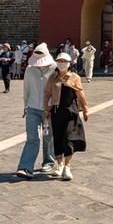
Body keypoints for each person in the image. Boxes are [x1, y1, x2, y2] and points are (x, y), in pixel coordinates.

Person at [43, 53, 90, 182]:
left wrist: (85, 109)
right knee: (58, 138)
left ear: (69, 63)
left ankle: (67, 167)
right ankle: (59, 165)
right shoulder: (52, 77)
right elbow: (47, 94)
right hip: (56, 112)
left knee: (69, 139)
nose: (62, 63)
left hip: (71, 112)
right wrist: (46, 109)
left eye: (64, 61)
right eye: (60, 61)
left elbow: (80, 94)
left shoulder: (75, 77)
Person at [15, 43, 58, 179]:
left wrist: (52, 105)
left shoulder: (54, 68)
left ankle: (49, 161)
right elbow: (26, 88)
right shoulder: (29, 69)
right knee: (32, 138)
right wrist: (25, 105)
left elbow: (57, 89)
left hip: (48, 110)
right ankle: (25, 167)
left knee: (48, 136)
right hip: (32, 109)